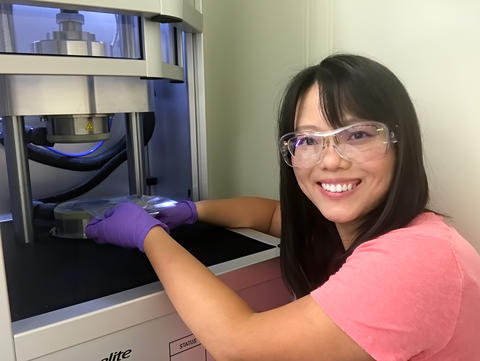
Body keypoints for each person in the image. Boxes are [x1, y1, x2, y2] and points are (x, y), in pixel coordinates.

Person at [86, 54, 480, 360]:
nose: (330, 161)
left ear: (401, 142)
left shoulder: (418, 259)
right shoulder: (371, 230)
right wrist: (192, 210)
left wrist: (148, 235)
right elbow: (274, 216)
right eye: (308, 140)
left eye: (357, 134)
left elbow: (239, 345)